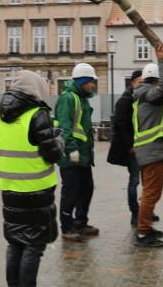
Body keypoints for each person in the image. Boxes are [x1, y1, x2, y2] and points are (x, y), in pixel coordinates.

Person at [0, 71, 64, 287]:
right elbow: (53, 155)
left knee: (15, 242)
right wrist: (58, 141)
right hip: (37, 191)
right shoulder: (37, 115)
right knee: (34, 245)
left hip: (9, 188)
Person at [133, 43, 163, 248]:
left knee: (150, 193)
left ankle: (146, 227)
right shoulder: (150, 95)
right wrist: (162, 61)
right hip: (152, 154)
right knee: (151, 194)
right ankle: (143, 233)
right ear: (154, 80)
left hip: (150, 151)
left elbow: (157, 125)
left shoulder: (143, 96)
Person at [54, 62, 98, 242]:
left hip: (83, 155)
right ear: (83, 81)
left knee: (86, 189)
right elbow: (64, 128)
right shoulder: (68, 98)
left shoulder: (82, 99)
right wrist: (71, 150)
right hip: (71, 155)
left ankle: (80, 222)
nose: (93, 85)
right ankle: (67, 226)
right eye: (91, 82)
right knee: (71, 191)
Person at [106, 69, 150, 227]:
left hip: (145, 146)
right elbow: (119, 124)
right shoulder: (125, 100)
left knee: (147, 180)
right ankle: (135, 212)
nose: (142, 84)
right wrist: (129, 146)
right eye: (139, 81)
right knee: (134, 180)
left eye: (144, 81)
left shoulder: (145, 98)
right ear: (132, 83)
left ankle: (145, 210)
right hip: (133, 148)